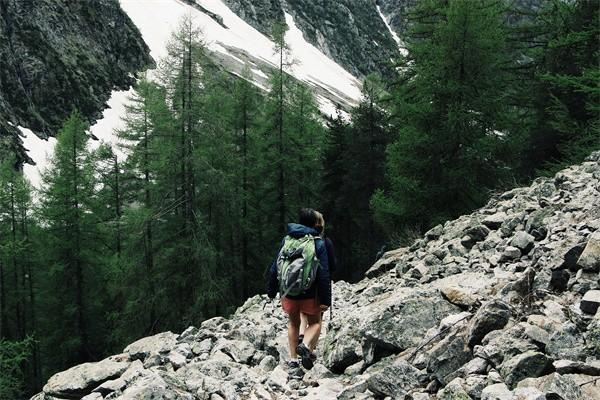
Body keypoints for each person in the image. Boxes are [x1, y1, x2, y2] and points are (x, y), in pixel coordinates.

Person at [267, 208, 331, 380]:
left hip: (288, 293)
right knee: (315, 323)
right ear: (315, 224)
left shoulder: (287, 240)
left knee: (293, 323)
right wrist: (326, 300)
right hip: (310, 294)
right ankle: (305, 345)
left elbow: (275, 266)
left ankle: (293, 360)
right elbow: (324, 274)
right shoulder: (318, 243)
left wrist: (271, 290)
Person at [298, 211, 336, 346]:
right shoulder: (325, 242)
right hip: (316, 287)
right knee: (317, 320)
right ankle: (309, 348)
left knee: (302, 313)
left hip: (299, 283)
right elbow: (332, 266)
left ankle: (301, 334)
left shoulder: (299, 240)